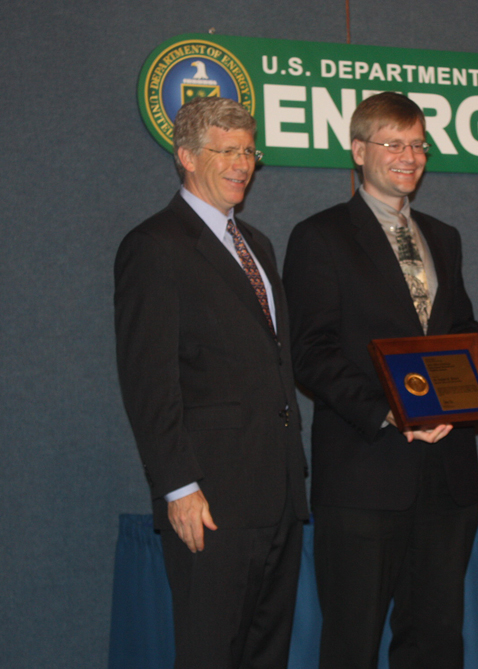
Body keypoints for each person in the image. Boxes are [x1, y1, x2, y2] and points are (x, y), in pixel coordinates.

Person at [282, 91, 478, 669]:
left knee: (435, 643)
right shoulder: (319, 236)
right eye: (392, 144)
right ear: (358, 151)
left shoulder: (444, 237)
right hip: (364, 476)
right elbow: (310, 352)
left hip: (446, 478)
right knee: (351, 645)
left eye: (417, 145)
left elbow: (459, 327)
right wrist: (392, 412)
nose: (409, 156)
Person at [114, 96, 308, 669]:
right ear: (185, 157)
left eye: (248, 151)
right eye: (225, 151)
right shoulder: (154, 246)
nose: (241, 163)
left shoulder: (259, 246)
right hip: (210, 500)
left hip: (278, 496)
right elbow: (148, 378)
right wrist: (178, 486)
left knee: (265, 654)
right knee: (209, 653)